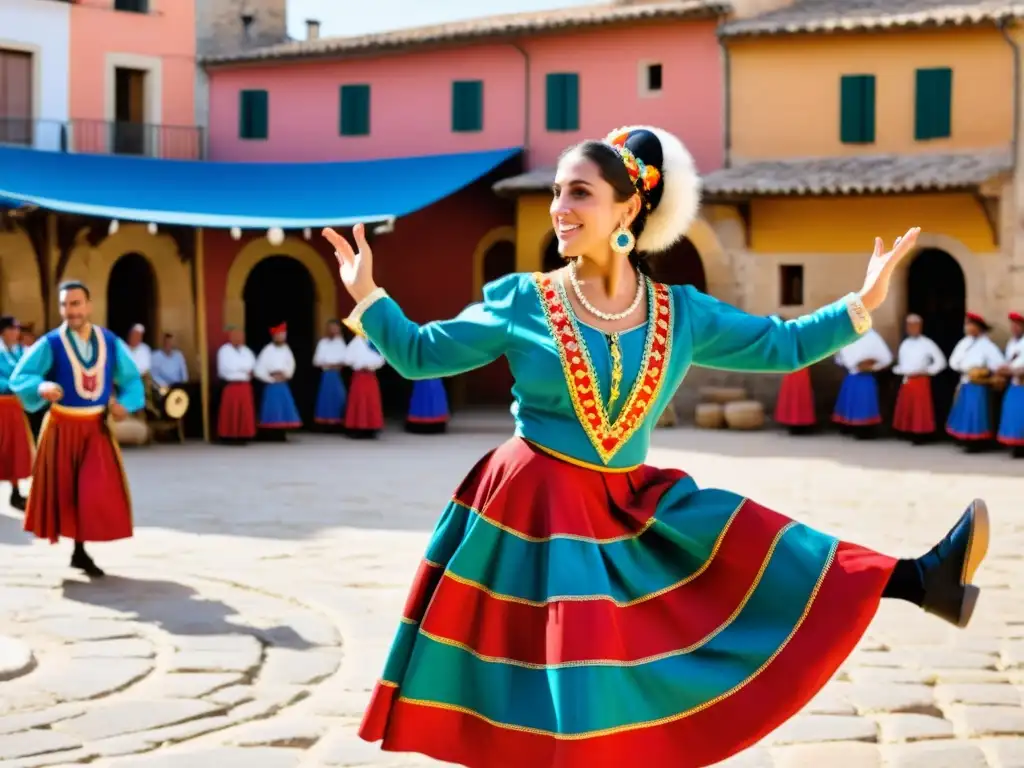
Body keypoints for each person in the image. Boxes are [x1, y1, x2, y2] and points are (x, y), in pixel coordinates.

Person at [322, 125, 990, 768]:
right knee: (567, 687)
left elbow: (782, 347)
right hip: (534, 514)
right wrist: (368, 295)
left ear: (629, 208)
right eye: (557, 191)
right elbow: (417, 354)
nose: (559, 207)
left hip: (622, 501)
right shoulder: (524, 300)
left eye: (579, 192)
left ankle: (919, 579)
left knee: (752, 540)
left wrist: (861, 301)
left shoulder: (684, 312)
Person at [9, 280, 144, 577]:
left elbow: (132, 379)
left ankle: (81, 548)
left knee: (92, 489)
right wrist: (41, 386)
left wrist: (126, 403)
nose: (71, 311)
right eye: (65, 305)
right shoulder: (51, 343)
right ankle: (79, 551)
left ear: (89, 305)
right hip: (61, 428)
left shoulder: (109, 342)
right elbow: (21, 376)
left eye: (76, 303)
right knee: (67, 493)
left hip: (95, 429)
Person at [947, 312, 1004, 449]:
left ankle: (977, 442)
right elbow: (953, 361)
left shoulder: (987, 345)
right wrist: (964, 368)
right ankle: (964, 438)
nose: (966, 327)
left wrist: (984, 371)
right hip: (965, 380)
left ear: (977, 327)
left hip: (978, 384)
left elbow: (999, 363)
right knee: (963, 411)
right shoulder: (964, 343)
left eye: (969, 324)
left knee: (976, 412)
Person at [892, 314, 947, 444]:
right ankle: (907, 432)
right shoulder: (904, 344)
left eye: (915, 325)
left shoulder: (927, 343)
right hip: (907, 379)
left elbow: (941, 362)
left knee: (920, 409)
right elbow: (902, 363)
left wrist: (928, 371)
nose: (912, 328)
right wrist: (899, 370)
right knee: (907, 408)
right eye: (909, 326)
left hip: (921, 379)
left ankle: (921, 435)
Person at [831, 328, 893, 438]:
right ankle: (848, 427)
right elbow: (840, 357)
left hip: (867, 377)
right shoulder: (847, 335)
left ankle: (865, 430)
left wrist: (872, 366)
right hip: (852, 376)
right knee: (849, 403)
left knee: (866, 404)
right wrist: (854, 364)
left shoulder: (873, 336)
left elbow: (886, 357)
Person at [0, 316, 33, 511]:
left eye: (17, 329)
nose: (16, 332)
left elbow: (29, 373)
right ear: (3, 331)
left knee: (13, 450)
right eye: (12, 329)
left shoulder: (22, 352)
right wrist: (13, 384)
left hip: (15, 408)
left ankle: (15, 493)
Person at [254, 322, 301, 436]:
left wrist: (286, 375)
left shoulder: (286, 350)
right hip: (271, 383)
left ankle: (282, 432)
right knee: (272, 407)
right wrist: (270, 378)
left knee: (284, 408)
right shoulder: (267, 350)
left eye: (282, 335)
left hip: (282, 382)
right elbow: (259, 368)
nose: (280, 337)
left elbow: (291, 365)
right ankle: (270, 433)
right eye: (278, 335)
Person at [216, 326, 257, 443]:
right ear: (231, 337)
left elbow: (252, 366)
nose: (239, 339)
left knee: (245, 412)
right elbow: (226, 369)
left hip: (244, 385)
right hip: (231, 385)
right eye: (236, 336)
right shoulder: (224, 351)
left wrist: (241, 369)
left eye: (241, 337)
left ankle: (244, 435)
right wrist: (242, 368)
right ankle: (229, 436)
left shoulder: (247, 351)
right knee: (231, 412)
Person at [343, 336, 385, 438]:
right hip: (359, 375)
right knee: (358, 401)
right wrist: (358, 364)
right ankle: (357, 428)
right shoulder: (356, 341)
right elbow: (346, 358)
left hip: (370, 375)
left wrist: (371, 365)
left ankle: (372, 428)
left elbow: (382, 358)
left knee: (372, 402)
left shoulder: (375, 341)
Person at [996, 310, 1024, 456]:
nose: (1014, 328)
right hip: (1014, 383)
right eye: (1012, 326)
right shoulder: (1011, 343)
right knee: (1012, 413)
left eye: (1017, 325)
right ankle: (1016, 446)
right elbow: (1009, 361)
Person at [312, 319, 349, 427]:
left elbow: (346, 359)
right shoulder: (323, 343)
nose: (332, 330)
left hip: (338, 375)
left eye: (335, 328)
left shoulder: (342, 343)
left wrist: (336, 364)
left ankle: (339, 423)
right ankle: (326, 425)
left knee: (339, 397)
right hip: (326, 374)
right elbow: (316, 360)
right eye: (330, 328)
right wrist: (329, 364)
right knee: (326, 399)